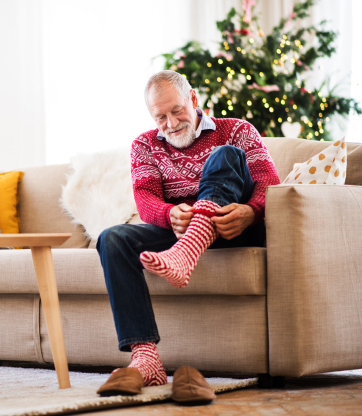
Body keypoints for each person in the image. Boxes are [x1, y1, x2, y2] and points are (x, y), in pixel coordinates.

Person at [95, 70, 281, 394]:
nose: (170, 122)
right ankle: (146, 359)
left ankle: (186, 252)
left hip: (235, 228)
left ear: (193, 99)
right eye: (160, 117)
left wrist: (251, 212)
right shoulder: (144, 145)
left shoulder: (237, 130)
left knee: (226, 154)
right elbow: (145, 198)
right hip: (180, 235)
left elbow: (269, 184)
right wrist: (170, 214)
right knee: (111, 238)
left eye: (177, 110)